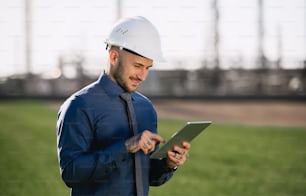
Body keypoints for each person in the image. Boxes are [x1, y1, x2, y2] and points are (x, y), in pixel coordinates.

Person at [56, 16, 191, 196]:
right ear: (114, 57)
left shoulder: (146, 109)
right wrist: (126, 147)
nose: (142, 76)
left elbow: (148, 176)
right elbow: (71, 174)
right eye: (137, 66)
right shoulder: (79, 105)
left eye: (148, 68)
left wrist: (168, 164)